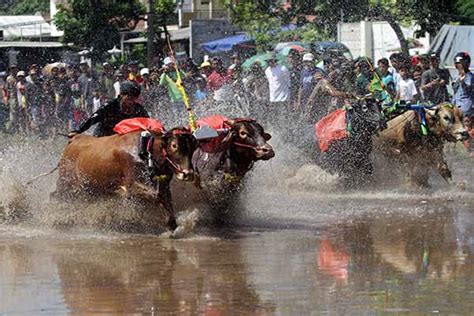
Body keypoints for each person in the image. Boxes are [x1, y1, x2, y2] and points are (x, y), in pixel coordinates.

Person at [69, 81, 149, 137]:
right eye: (130, 97)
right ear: (121, 95)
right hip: (102, 136)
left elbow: (149, 123)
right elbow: (93, 119)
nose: (132, 101)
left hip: (121, 139)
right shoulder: (110, 106)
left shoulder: (138, 109)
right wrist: (79, 131)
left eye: (135, 97)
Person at [452, 52, 473, 116]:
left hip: (466, 107)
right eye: (458, 63)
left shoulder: (470, 76)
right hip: (456, 105)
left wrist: (462, 82)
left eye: (461, 63)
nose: (459, 65)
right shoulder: (456, 76)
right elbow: (455, 89)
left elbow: (467, 91)